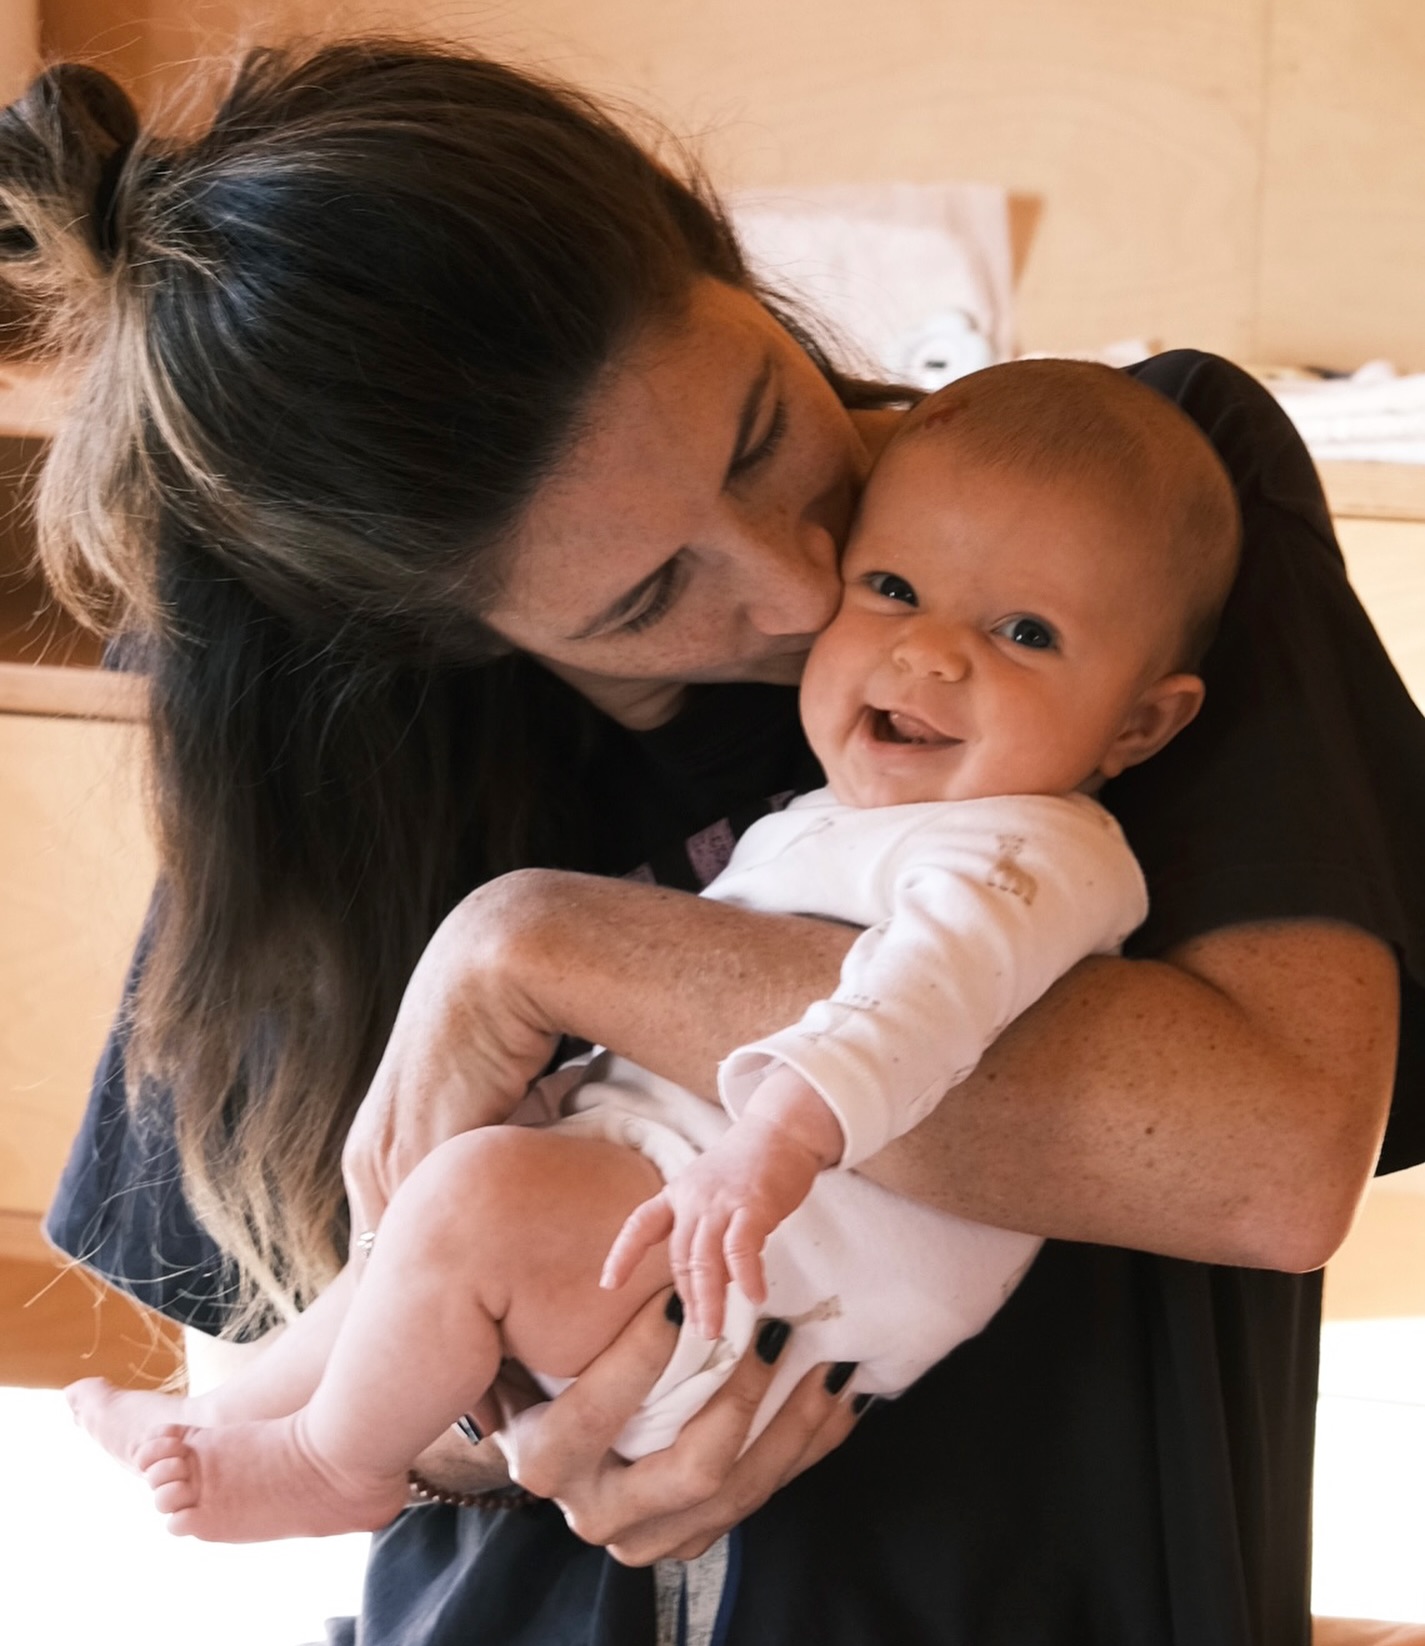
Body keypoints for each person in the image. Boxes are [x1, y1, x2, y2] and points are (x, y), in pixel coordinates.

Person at [3, 39, 1420, 1646]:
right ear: (454, 629)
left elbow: (1264, 1158)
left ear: (726, 262)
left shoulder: (1123, 512)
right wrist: (515, 1426)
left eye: (761, 429)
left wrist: (535, 941)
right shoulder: (367, 763)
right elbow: (295, 1381)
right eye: (646, 592)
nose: (803, 582)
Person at [66, 357, 1235, 1547]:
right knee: (440, 1202)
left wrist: (772, 1142)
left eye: (1024, 631)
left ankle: (334, 1465)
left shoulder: (1028, 853)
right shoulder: (870, 814)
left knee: (469, 1200)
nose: (929, 653)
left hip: (764, 1267)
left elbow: (920, 1000)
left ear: (1140, 720)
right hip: (703, 1203)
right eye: (891, 587)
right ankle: (229, 1414)